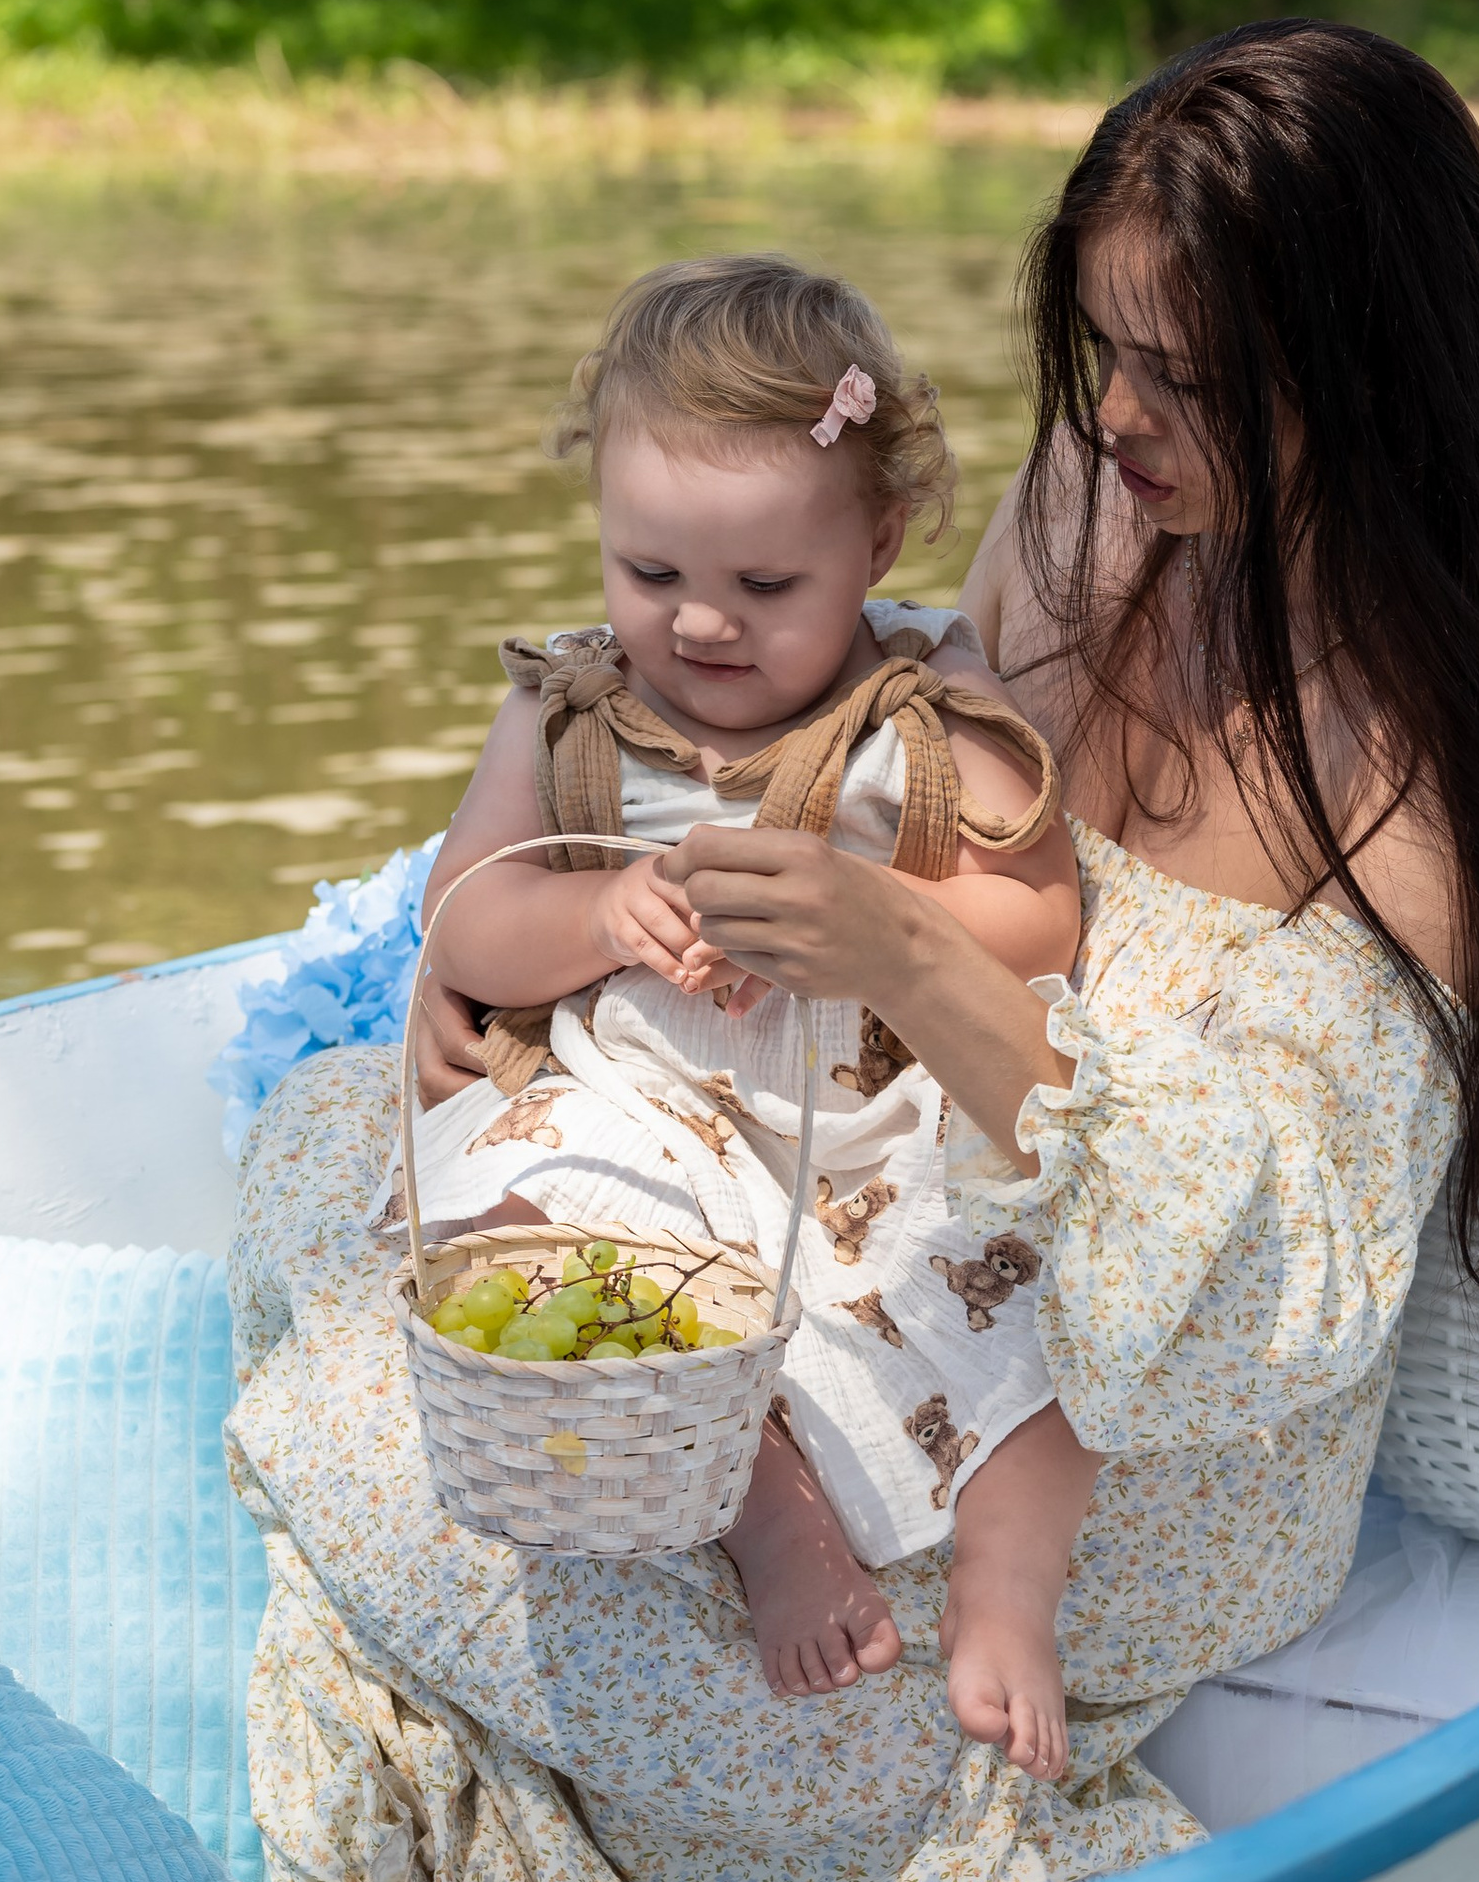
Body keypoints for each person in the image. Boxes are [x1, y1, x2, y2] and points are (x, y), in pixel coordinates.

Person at [232, 20, 1479, 1882]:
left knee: (400, 1437)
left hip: (1116, 1416)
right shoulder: (1093, 517)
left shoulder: (1421, 768)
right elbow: (847, 747)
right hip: (859, 1219)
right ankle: (701, 1717)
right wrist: (484, 963)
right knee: (351, 1162)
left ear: (1358, 371)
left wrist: (915, 963)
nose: (1112, 415)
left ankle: (923, 1853)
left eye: (1180, 373)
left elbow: (1291, 1275)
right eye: (1098, 347)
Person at [406, 254, 1097, 1779]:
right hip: (655, 1109)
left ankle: (1008, 1584)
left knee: (1051, 1342)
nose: (701, 626)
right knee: (507, 1201)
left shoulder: (915, 718)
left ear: (880, 540)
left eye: (765, 588)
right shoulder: (570, 715)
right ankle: (765, 1499)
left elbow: (1041, 913)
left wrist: (873, 926)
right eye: (648, 576)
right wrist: (592, 916)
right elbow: (467, 916)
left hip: (871, 1132)